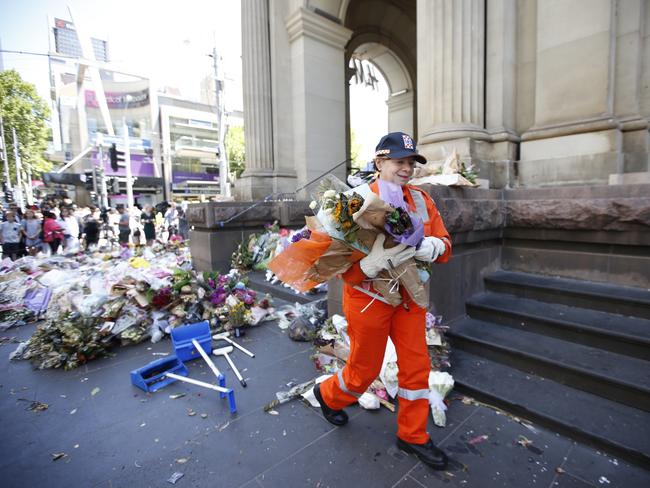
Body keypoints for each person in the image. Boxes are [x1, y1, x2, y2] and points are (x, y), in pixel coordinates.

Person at [312, 132, 452, 471]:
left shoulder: (421, 200)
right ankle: (328, 395)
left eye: (411, 163)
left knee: (417, 367)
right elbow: (330, 262)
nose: (406, 169)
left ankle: (413, 435)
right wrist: (367, 265)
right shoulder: (352, 203)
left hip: (410, 298)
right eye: (399, 161)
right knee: (364, 371)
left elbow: (446, 245)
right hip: (368, 299)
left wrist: (434, 247)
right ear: (379, 163)